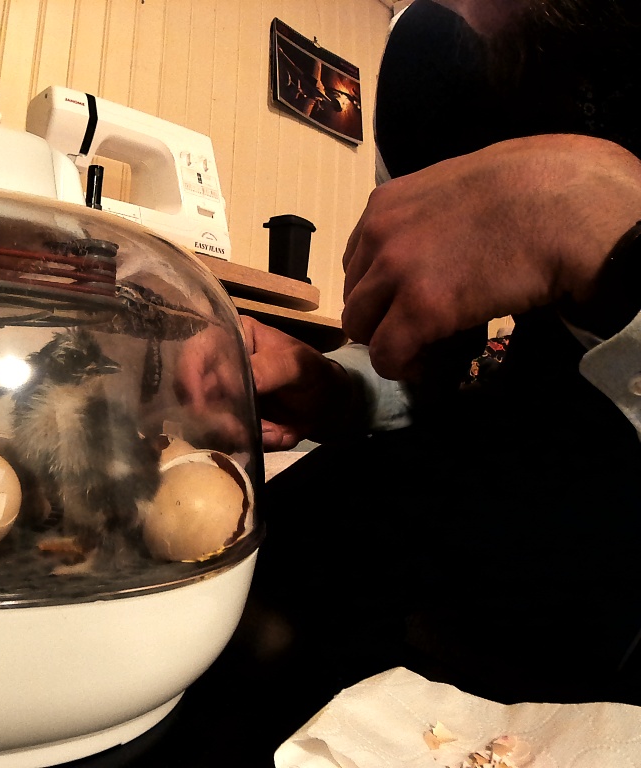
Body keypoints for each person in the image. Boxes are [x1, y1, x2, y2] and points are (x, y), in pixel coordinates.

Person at [178, 0, 641, 748]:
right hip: (495, 484)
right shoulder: (433, 56)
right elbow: (436, 367)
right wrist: (343, 390)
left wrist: (616, 241)